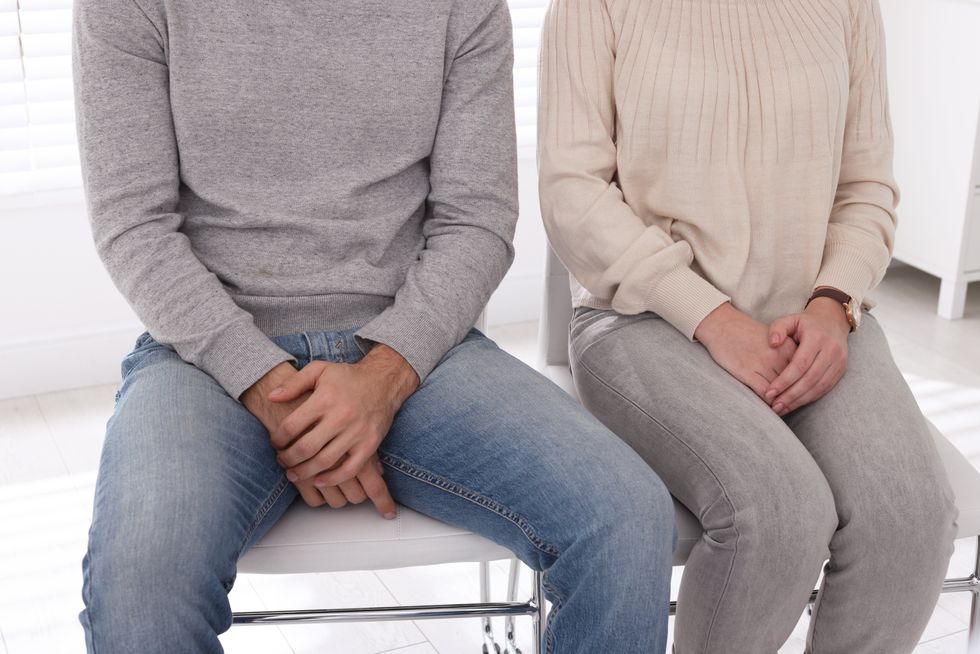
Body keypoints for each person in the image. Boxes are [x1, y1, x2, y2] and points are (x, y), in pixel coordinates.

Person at [72, 0, 677, 651]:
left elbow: (476, 218)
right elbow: (133, 226)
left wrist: (382, 379)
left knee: (627, 517)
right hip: (206, 362)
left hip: (419, 351)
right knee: (139, 580)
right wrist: (276, 393)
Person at [538, 0, 958, 651]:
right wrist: (712, 317)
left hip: (817, 318)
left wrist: (834, 299)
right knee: (779, 515)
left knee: (912, 521)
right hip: (645, 319)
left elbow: (867, 183)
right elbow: (571, 191)